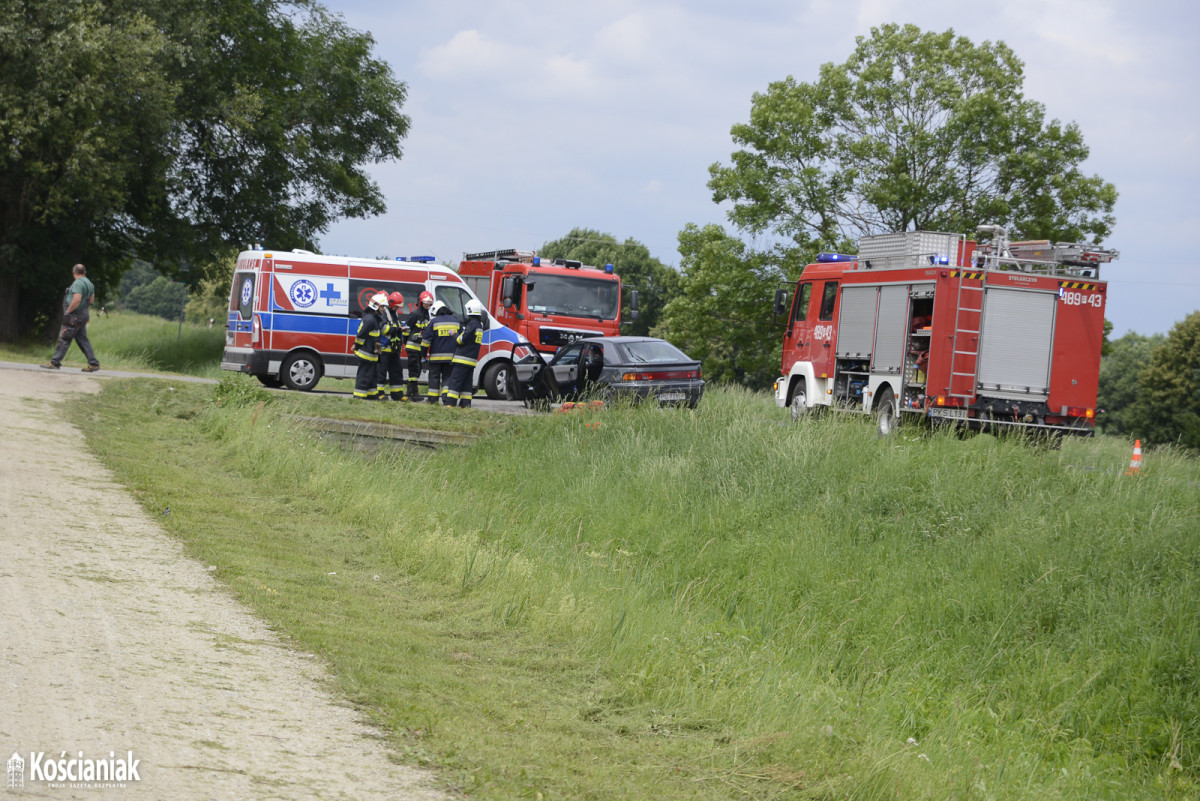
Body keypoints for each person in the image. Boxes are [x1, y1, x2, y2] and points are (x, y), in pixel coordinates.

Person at [41, 263, 100, 372]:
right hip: (84, 314)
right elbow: (91, 300)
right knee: (82, 339)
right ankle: (94, 364)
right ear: (85, 272)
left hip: (74, 315)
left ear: (74, 273)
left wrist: (68, 312)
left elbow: (77, 299)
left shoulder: (78, 283)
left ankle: (55, 362)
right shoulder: (90, 284)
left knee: (65, 337)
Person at [445, 299, 487, 408]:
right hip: (471, 361)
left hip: (462, 359)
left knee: (455, 381)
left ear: (469, 311)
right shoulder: (479, 325)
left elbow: (461, 340)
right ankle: (465, 404)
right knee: (467, 385)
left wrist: (454, 334)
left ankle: (450, 403)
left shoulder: (471, 325)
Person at [421, 301, 460, 404]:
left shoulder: (434, 322)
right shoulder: (456, 322)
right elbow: (461, 339)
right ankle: (446, 399)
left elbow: (425, 342)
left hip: (435, 359)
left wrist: (423, 356)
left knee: (434, 378)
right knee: (447, 378)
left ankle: (432, 400)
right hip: (451, 358)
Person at [352, 292, 389, 399]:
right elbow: (361, 335)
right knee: (364, 377)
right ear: (376, 306)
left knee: (372, 378)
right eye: (382, 307)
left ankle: (372, 397)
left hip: (372, 355)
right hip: (366, 355)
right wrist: (356, 346)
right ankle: (359, 397)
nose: (383, 309)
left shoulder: (375, 319)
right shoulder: (370, 320)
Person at [403, 291, 434, 401]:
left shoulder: (427, 315)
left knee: (418, 370)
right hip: (412, 346)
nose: (427, 305)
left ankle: (411, 392)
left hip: (420, 347)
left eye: (429, 303)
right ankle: (411, 393)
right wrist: (407, 341)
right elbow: (406, 329)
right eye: (425, 303)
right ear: (421, 302)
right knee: (414, 369)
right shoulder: (415, 314)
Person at [378, 292, 407, 401]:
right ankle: (379, 393)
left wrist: (401, 327)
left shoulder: (394, 313)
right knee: (381, 371)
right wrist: (398, 329)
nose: (397, 308)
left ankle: (397, 394)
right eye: (396, 306)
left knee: (396, 371)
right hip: (385, 348)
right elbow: (384, 329)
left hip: (394, 349)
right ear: (390, 303)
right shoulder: (384, 313)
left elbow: (395, 325)